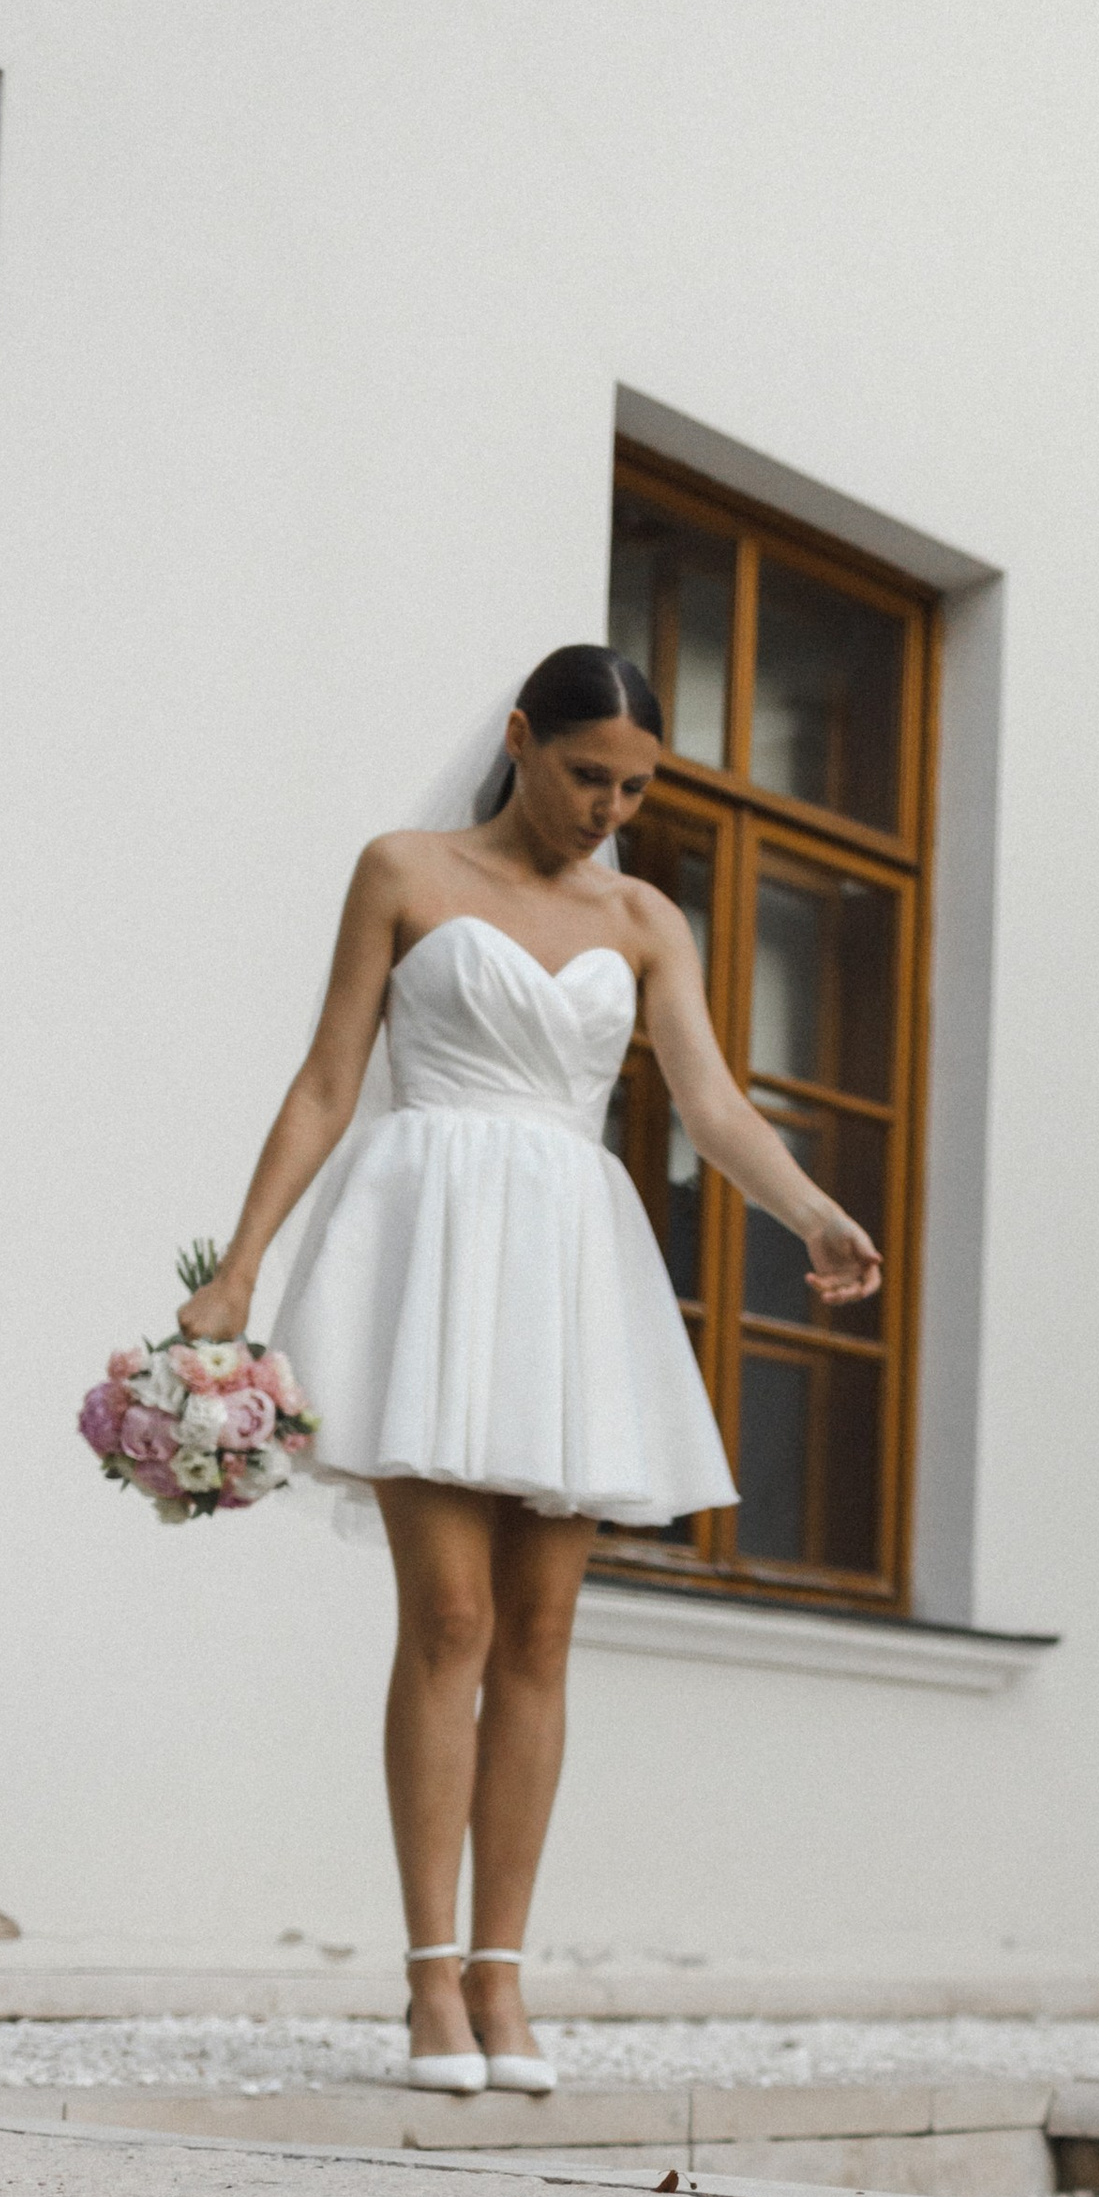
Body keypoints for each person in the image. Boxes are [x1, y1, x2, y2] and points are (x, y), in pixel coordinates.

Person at [177, 644, 880, 2092]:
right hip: (425, 1245)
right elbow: (325, 1079)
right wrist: (244, 1264)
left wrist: (810, 1208)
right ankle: (430, 1981)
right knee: (448, 1620)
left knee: (545, 1638)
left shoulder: (644, 918)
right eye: (584, 776)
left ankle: (506, 1977)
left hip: (569, 1264)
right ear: (520, 740)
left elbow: (711, 1101)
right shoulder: (403, 870)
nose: (608, 809)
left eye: (634, 787)